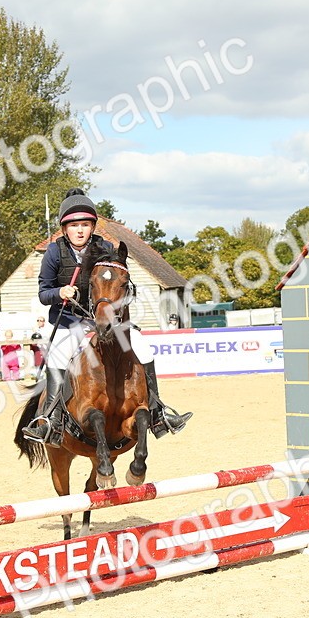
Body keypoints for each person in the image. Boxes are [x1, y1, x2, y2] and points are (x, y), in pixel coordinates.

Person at [22, 188, 191, 445]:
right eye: (74, 225)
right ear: (65, 228)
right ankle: (50, 420)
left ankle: (158, 413)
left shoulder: (105, 247)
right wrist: (60, 291)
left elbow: (122, 280)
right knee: (57, 355)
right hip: (69, 321)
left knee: (143, 348)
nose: (80, 230)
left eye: (85, 225)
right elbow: (44, 293)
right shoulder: (54, 253)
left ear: (92, 226)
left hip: (104, 321)